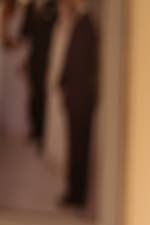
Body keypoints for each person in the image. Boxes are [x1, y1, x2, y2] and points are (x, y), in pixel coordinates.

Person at [56, 0, 96, 209]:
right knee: (75, 147)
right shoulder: (80, 24)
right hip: (76, 97)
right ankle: (74, 191)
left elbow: (82, 65)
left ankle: (76, 195)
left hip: (81, 99)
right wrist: (62, 81)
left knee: (79, 149)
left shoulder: (86, 25)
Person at [19, 0, 55, 150]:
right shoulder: (30, 8)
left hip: (48, 60)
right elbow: (24, 33)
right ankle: (35, 131)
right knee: (33, 94)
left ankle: (43, 134)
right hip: (34, 59)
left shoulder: (53, 5)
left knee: (44, 96)